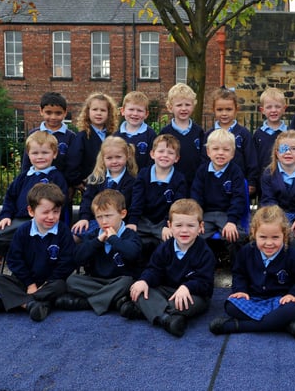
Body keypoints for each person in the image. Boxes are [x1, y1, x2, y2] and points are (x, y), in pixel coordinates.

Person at [209, 205, 295, 338]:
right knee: (230, 305)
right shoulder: (246, 252)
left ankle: (236, 326)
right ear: (254, 234)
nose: (269, 243)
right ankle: (282, 325)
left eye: (275, 237)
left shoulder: (293, 256)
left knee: (293, 309)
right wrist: (240, 290)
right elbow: (239, 274)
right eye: (263, 237)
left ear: (284, 236)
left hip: (280, 301)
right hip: (253, 299)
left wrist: (293, 294)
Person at [120, 199, 215, 337]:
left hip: (194, 294)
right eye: (178, 225)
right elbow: (154, 270)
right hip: (167, 290)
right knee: (141, 290)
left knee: (182, 304)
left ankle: (144, 310)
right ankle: (167, 319)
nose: (184, 230)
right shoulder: (164, 248)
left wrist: (187, 287)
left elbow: (205, 283)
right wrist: (144, 280)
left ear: (201, 227)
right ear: (170, 226)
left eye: (190, 225)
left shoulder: (205, 253)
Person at [0, 183, 75, 322]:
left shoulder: (63, 232)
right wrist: (30, 284)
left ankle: (14, 302)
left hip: (50, 283)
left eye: (56, 211)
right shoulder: (22, 231)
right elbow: (14, 260)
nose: (51, 217)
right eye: (45, 212)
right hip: (25, 282)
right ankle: (32, 304)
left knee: (62, 286)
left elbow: (67, 262)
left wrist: (46, 284)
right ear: (31, 211)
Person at [58, 190, 143, 315]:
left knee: (128, 283)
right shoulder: (93, 235)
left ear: (122, 214)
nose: (104, 221)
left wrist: (114, 239)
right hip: (96, 281)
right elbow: (77, 258)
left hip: (119, 281)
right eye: (99, 217)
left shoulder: (130, 235)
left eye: (108, 216)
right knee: (72, 281)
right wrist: (98, 241)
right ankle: (112, 300)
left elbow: (132, 253)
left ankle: (87, 303)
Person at [0, 131, 68, 258]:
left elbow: (61, 203)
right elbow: (10, 198)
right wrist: (6, 216)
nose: (40, 157)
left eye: (45, 152)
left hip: (44, 222)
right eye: (35, 153)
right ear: (28, 155)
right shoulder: (23, 177)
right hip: (19, 221)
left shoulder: (56, 177)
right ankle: (20, 260)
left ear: (55, 154)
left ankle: (34, 263)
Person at [259, 130, 295, 255]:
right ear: (277, 152)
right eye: (284, 148)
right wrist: (280, 220)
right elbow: (268, 200)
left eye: (294, 148)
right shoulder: (269, 174)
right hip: (274, 216)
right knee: (270, 234)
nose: (288, 152)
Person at [70, 136, 137, 241]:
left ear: (127, 156)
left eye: (118, 157)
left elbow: (134, 206)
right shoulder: (97, 179)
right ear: (103, 159)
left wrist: (132, 222)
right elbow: (87, 200)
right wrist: (84, 218)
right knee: (74, 235)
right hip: (98, 221)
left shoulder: (131, 182)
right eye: (109, 158)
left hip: (120, 223)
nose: (114, 161)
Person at [127, 134, 187, 248]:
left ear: (177, 158)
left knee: (171, 242)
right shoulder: (143, 175)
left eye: (170, 153)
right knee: (130, 240)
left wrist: (167, 224)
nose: (165, 155)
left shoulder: (179, 179)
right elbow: (137, 200)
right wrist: (132, 222)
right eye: (161, 151)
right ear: (152, 154)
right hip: (143, 221)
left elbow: (177, 207)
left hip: (163, 223)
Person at [190, 129, 247, 244]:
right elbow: (196, 197)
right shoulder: (202, 171)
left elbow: (238, 199)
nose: (220, 153)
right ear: (208, 152)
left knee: (237, 236)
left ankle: (230, 261)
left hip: (227, 215)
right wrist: (198, 219)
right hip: (206, 215)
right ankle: (205, 260)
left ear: (232, 154)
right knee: (193, 235)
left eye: (226, 150)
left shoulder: (236, 172)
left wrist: (231, 221)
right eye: (215, 149)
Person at [205, 87, 259, 196]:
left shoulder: (243, 134)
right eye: (220, 110)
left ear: (236, 109)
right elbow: (204, 160)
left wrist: (251, 182)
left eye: (229, 109)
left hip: (238, 183)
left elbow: (251, 160)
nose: (224, 113)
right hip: (214, 183)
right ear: (213, 110)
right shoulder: (208, 135)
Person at [66, 92, 120, 190]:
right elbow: (73, 162)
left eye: (103, 110)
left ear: (109, 113)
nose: (98, 113)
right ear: (88, 112)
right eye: (95, 109)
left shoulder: (113, 136)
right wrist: (77, 182)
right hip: (91, 186)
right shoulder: (82, 137)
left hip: (111, 185)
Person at [159, 83, 205, 188]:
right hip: (172, 182)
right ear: (170, 107)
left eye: (187, 105)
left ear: (193, 106)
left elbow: (204, 158)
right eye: (179, 105)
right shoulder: (165, 133)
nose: (184, 108)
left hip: (195, 182)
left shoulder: (199, 132)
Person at [21, 91, 76, 178]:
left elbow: (72, 163)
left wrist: (70, 185)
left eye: (58, 113)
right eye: (48, 113)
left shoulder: (70, 136)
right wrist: (24, 180)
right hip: (36, 182)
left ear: (65, 113)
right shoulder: (34, 134)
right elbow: (26, 161)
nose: (53, 117)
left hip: (62, 184)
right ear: (41, 111)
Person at [253, 87, 288, 191]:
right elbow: (254, 160)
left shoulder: (288, 134)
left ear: (284, 109)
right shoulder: (258, 135)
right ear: (262, 110)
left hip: (284, 179)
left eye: (277, 106)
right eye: (269, 107)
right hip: (263, 181)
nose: (273, 110)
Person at [115, 90, 157, 170]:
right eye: (131, 109)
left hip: (143, 180)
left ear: (146, 114)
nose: (135, 114)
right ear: (123, 111)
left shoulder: (151, 135)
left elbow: (152, 162)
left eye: (139, 110)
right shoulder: (116, 136)